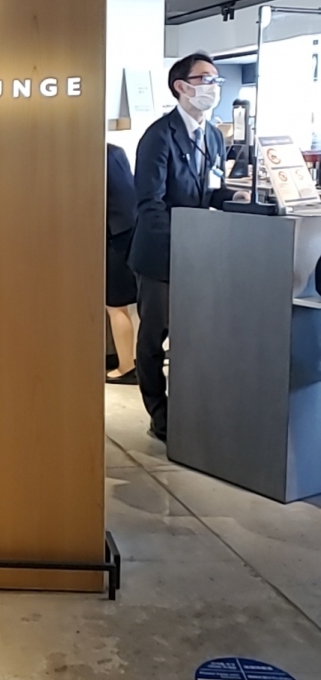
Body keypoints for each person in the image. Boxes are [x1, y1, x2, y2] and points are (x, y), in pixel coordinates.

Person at [128, 53, 237, 441]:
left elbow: (212, 188)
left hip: (200, 255)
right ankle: (159, 414)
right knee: (153, 338)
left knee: (195, 335)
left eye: (216, 80)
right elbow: (149, 203)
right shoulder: (159, 136)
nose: (214, 87)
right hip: (161, 256)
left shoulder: (213, 136)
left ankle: (192, 408)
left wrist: (240, 199)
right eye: (205, 79)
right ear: (181, 86)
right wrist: (179, 247)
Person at [106, 143, 138, 384]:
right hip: (129, 234)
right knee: (125, 306)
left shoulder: (96, 155)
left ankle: (126, 366)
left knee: (115, 306)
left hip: (114, 238)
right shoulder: (115, 152)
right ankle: (131, 360)